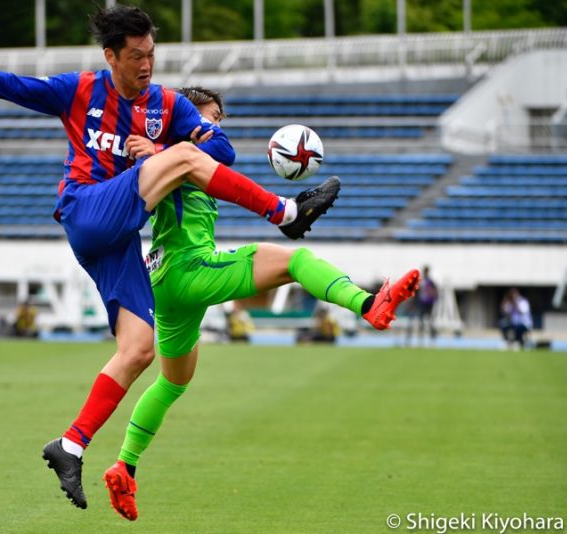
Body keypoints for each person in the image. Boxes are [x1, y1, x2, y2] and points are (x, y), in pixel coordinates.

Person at [0, 5, 340, 510]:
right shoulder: (80, 89)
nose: (146, 64)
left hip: (119, 240)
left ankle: (70, 444)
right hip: (87, 208)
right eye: (136, 56)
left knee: (139, 350)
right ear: (111, 56)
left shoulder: (167, 105)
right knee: (179, 158)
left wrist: (160, 146)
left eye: (151, 53)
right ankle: (285, 213)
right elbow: (16, 88)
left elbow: (221, 150)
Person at [101, 86, 421, 521]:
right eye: (209, 116)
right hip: (189, 268)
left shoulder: (167, 156)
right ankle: (369, 304)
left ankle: (125, 465)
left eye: (218, 119)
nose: (214, 126)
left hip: (161, 278)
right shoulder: (177, 152)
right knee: (297, 260)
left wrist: (152, 148)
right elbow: (201, 154)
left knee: (174, 380)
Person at [411, 265, 438, 344]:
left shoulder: (430, 282)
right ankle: (421, 337)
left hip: (428, 303)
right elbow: (416, 292)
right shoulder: (422, 281)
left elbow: (434, 292)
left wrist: (434, 299)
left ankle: (431, 336)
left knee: (429, 320)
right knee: (422, 321)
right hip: (422, 303)